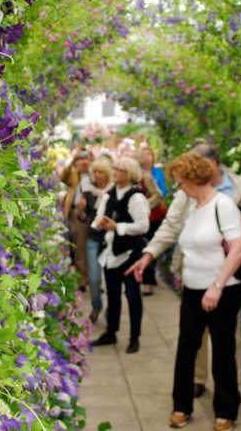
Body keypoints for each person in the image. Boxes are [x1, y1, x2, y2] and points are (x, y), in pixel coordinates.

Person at [129, 141, 241, 399]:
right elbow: (170, 226)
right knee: (193, 338)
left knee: (227, 339)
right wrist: (149, 253)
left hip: (230, 274)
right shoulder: (185, 194)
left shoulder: (239, 188)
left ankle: (230, 390)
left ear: (211, 164)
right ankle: (198, 380)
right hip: (196, 272)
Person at [91, 157, 150, 354]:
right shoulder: (109, 195)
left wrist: (118, 226)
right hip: (110, 252)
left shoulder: (136, 197)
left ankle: (135, 337)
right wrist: (100, 223)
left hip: (130, 253)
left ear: (130, 174)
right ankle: (111, 331)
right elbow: (99, 217)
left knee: (133, 296)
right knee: (112, 296)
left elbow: (143, 226)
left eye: (120, 170)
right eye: (115, 169)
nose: (115, 172)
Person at [77, 157, 113, 324]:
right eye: (96, 172)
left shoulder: (114, 192)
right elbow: (83, 218)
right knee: (93, 278)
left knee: (112, 278)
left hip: (111, 239)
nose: (98, 175)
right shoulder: (88, 192)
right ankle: (96, 305)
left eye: (101, 172)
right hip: (93, 238)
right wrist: (81, 210)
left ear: (107, 174)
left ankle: (112, 310)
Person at [60, 148, 92, 289]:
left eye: (86, 159)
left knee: (85, 247)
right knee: (78, 247)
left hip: (89, 213)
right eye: (81, 159)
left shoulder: (94, 174)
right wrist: (73, 161)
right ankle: (82, 278)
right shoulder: (74, 173)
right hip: (74, 212)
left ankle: (87, 278)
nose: (84, 162)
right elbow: (63, 177)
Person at [137, 147, 167, 296]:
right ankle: (147, 280)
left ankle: (150, 276)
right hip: (143, 217)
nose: (146, 157)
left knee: (152, 245)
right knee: (146, 246)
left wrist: (144, 205)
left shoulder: (155, 173)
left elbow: (161, 192)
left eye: (149, 154)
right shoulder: (136, 173)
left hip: (155, 214)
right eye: (143, 154)